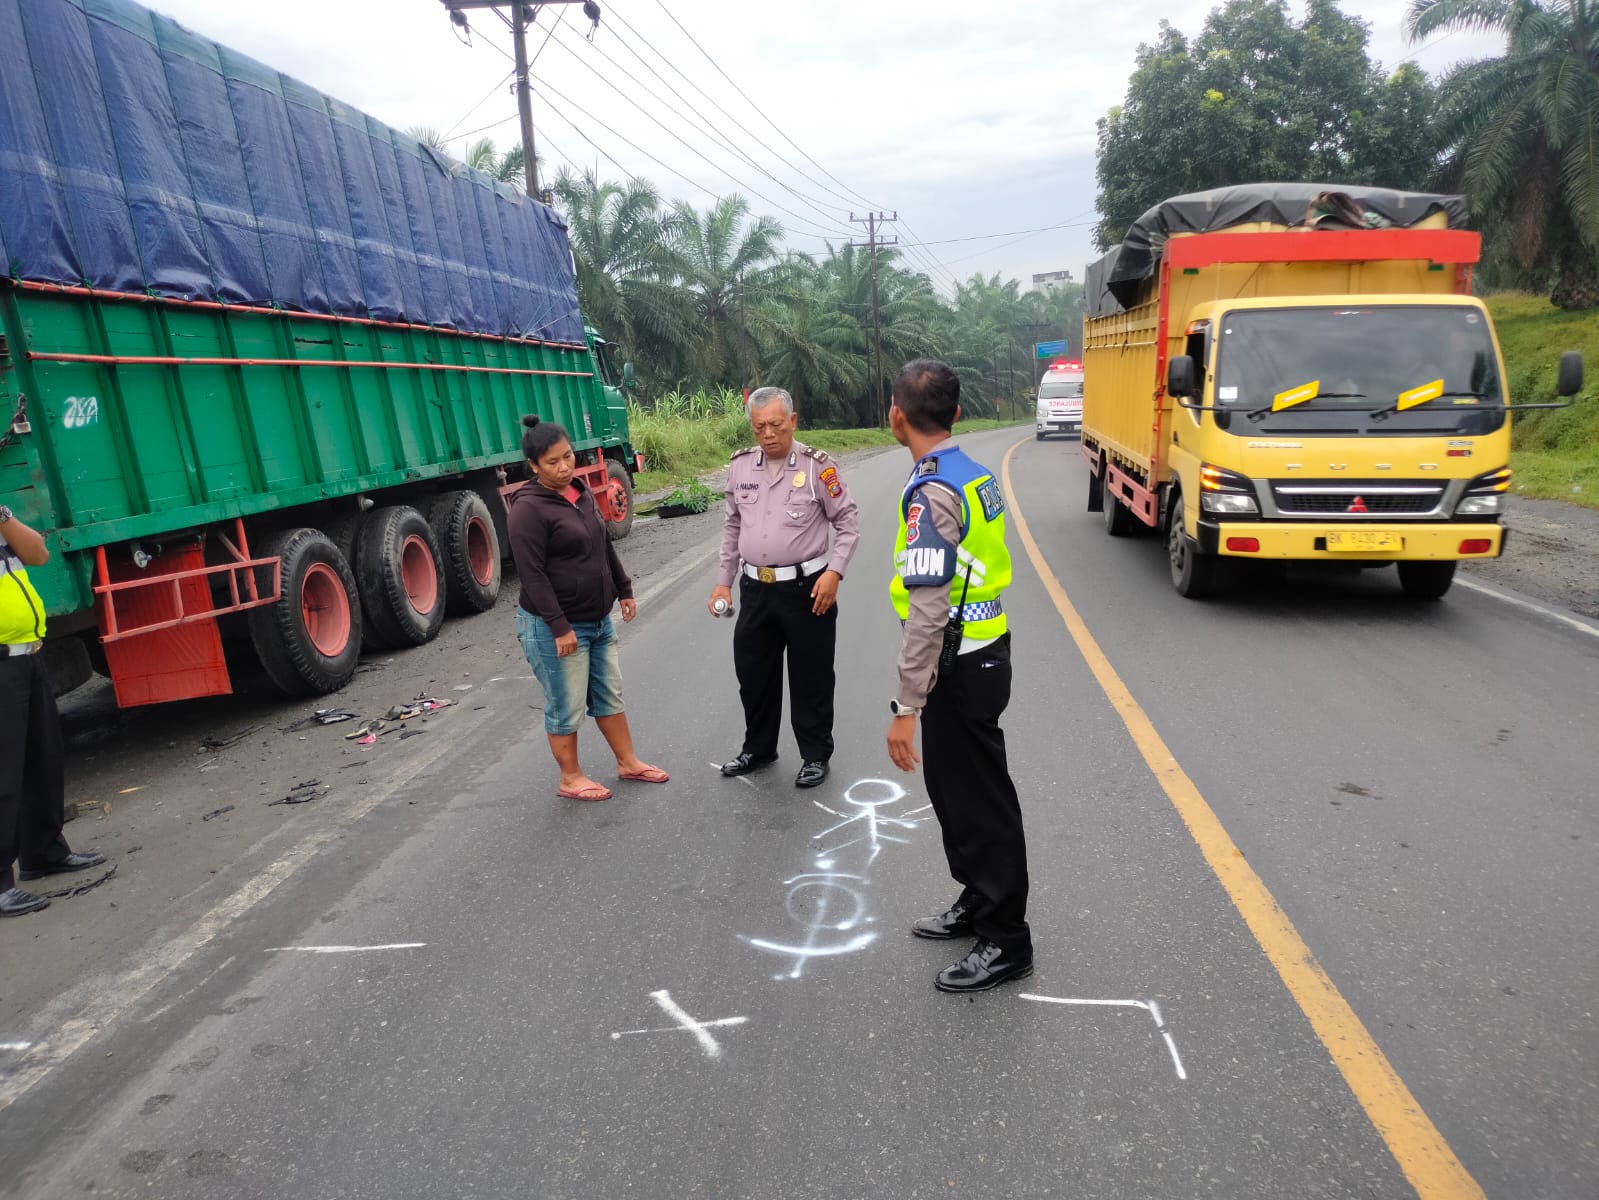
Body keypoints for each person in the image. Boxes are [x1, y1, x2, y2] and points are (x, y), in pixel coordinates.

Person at [883, 358, 1033, 993]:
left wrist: (904, 706)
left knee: (979, 799)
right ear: (958, 414)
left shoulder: (932, 492)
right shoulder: (967, 473)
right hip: (979, 650)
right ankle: (977, 897)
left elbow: (927, 609)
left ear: (896, 416)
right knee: (954, 789)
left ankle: (1006, 938)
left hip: (959, 661)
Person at [507, 417, 667, 801]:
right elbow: (533, 576)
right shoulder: (528, 510)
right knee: (567, 703)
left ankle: (627, 761)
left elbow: (602, 545)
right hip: (556, 628)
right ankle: (570, 777)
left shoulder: (579, 491)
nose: (564, 467)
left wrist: (624, 588)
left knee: (609, 693)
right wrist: (560, 628)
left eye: (568, 457)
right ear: (533, 466)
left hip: (597, 620)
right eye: (552, 462)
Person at [709, 387, 859, 789]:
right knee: (754, 675)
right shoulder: (741, 467)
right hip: (755, 589)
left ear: (793, 421)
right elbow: (732, 527)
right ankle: (759, 749)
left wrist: (835, 572)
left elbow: (847, 523)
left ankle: (814, 754)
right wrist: (723, 583)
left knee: (811, 677)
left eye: (776, 425)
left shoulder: (817, 468)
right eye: (759, 427)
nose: (768, 434)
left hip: (808, 588)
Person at [0, 504, 106, 917]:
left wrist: (3, 514)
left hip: (28, 655)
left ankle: (43, 852)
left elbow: (39, 555)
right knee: (3, 776)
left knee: (43, 761)